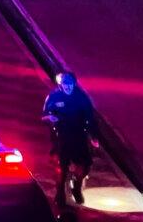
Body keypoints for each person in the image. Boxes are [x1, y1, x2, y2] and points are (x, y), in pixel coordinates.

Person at [42, 71, 98, 207]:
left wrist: (93, 136)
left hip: (79, 135)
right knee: (61, 167)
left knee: (84, 166)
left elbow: (91, 118)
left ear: (74, 83)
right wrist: (50, 118)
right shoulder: (54, 97)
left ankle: (77, 187)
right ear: (61, 85)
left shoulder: (82, 97)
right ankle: (60, 191)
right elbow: (44, 115)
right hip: (61, 135)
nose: (68, 86)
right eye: (65, 83)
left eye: (70, 83)